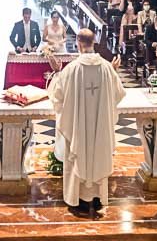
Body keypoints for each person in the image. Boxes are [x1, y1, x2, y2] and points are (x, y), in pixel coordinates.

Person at [46, 29, 125, 217]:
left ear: (78, 44)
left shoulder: (71, 69)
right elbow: (118, 93)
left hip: (78, 131)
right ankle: (97, 199)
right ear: (94, 42)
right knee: (97, 154)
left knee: (79, 155)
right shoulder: (106, 67)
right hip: (99, 128)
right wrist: (113, 72)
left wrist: (57, 73)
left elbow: (57, 97)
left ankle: (79, 201)